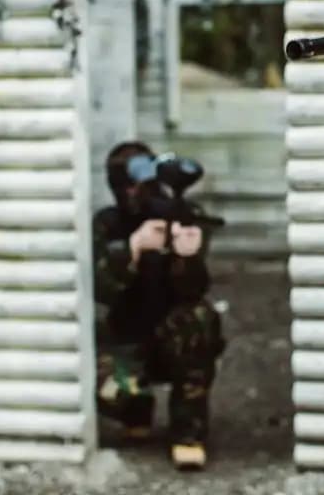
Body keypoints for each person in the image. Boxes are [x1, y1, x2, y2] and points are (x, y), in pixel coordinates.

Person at [93, 140, 225, 469]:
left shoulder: (179, 214)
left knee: (199, 318)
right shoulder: (107, 224)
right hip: (124, 336)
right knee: (106, 386)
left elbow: (195, 288)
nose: (137, 192)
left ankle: (188, 432)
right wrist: (132, 249)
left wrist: (187, 257)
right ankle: (135, 409)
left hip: (169, 336)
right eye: (128, 184)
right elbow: (99, 291)